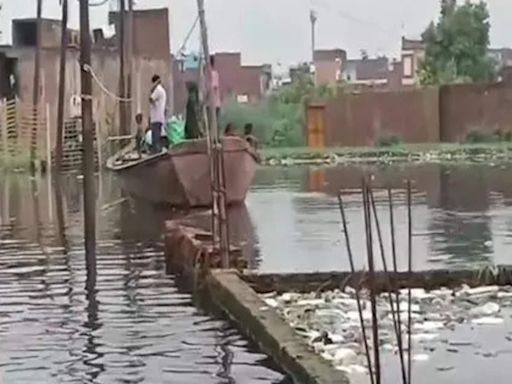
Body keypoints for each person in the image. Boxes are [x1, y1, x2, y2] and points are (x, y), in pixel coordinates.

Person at [149, 74, 167, 153]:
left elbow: (151, 98)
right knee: (157, 136)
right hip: (159, 117)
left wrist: (153, 88)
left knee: (155, 138)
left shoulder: (158, 90)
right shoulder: (162, 90)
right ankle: (158, 151)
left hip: (156, 117)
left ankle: (155, 152)